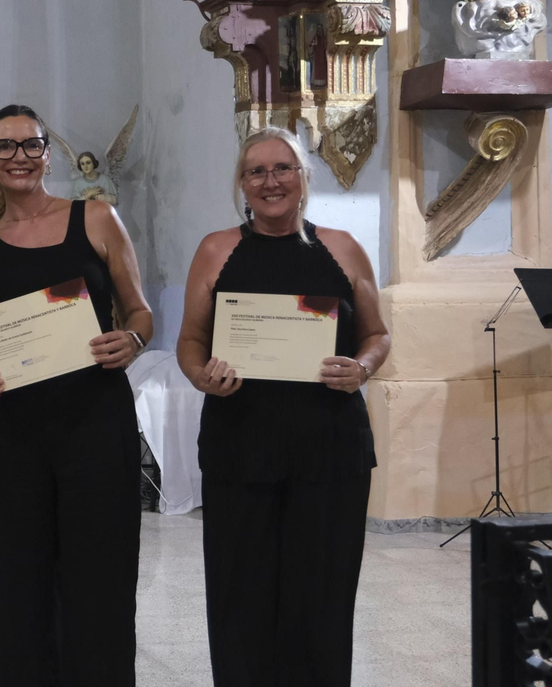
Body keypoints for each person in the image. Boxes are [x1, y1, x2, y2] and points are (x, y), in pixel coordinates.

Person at [176, 127, 390, 687]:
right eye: (256, 171)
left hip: (329, 449)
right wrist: (203, 376)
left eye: (282, 168)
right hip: (240, 443)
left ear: (304, 178)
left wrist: (361, 368)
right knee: (239, 595)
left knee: (321, 597)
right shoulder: (216, 249)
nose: (270, 181)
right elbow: (190, 342)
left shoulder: (342, 247)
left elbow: (378, 335)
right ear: (242, 185)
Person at [0, 104, 153, 686]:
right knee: (18, 585)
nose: (19, 156)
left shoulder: (95, 217)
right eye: (6, 146)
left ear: (47, 153)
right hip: (15, 438)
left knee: (101, 580)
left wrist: (133, 339)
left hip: (95, 426)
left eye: (31, 144)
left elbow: (140, 310)